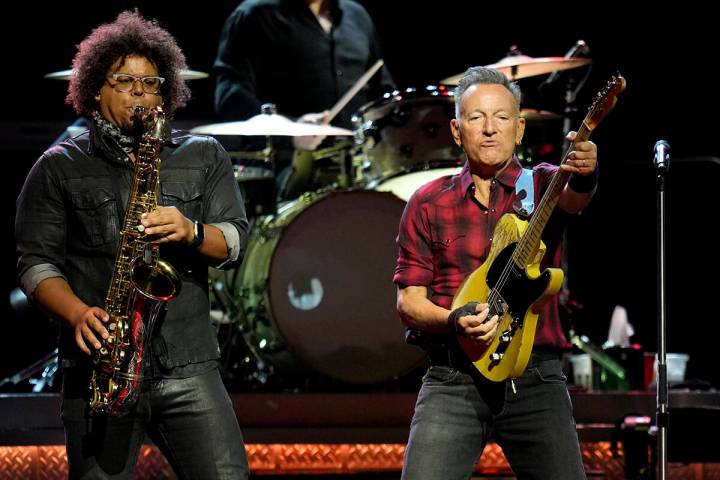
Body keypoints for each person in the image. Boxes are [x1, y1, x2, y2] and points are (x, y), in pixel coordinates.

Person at [15, 11, 250, 479]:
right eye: (125, 82)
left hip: (189, 367)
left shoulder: (204, 155)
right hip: (101, 370)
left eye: (152, 84)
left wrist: (192, 232)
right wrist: (77, 313)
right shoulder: (58, 166)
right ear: (95, 88)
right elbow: (35, 264)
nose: (141, 93)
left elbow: (236, 241)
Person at [393, 66, 599, 479]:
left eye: (502, 118)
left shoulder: (544, 186)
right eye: (476, 118)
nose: (490, 129)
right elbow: (409, 301)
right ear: (456, 130)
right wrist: (453, 320)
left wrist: (587, 167)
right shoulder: (428, 202)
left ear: (519, 128)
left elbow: (577, 197)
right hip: (453, 376)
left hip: (535, 376)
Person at [213, 0, 395, 198]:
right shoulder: (254, 15)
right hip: (285, 169)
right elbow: (230, 95)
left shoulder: (357, 15)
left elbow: (382, 92)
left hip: (359, 168)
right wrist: (289, 131)